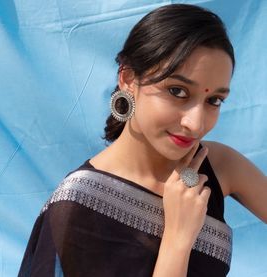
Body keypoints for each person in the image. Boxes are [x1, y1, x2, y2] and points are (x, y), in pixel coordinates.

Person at [18, 4, 267, 277]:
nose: (196, 124)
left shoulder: (218, 166)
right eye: (177, 91)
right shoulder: (80, 205)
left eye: (214, 100)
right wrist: (178, 238)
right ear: (127, 79)